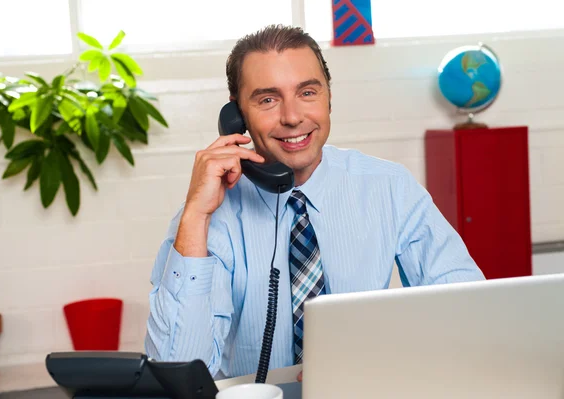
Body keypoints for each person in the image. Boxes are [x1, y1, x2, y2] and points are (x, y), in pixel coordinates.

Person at [144, 24, 485, 380]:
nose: (292, 117)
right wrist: (196, 215)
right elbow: (175, 372)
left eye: (307, 92)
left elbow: (468, 315)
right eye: (268, 99)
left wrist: (386, 356)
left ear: (328, 99)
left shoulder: (389, 187)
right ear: (237, 117)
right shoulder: (208, 215)